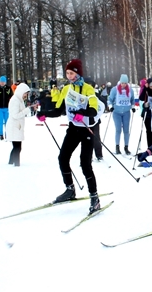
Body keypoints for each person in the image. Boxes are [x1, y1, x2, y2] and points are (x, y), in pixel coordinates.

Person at [36, 59, 103, 213]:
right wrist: (43, 113)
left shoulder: (88, 89)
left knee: (85, 164)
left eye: (71, 73)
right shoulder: (66, 89)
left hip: (87, 129)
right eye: (67, 73)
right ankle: (70, 189)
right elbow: (58, 110)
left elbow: (93, 110)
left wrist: (83, 113)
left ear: (78, 73)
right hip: (73, 129)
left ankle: (94, 197)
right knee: (63, 158)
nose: (69, 76)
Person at [5, 83, 36, 166]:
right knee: (17, 147)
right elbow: (15, 115)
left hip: (16, 126)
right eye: (26, 93)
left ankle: (11, 162)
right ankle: (16, 164)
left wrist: (29, 108)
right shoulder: (15, 100)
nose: (26, 95)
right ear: (21, 91)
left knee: (16, 147)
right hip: (14, 127)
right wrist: (28, 110)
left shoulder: (19, 100)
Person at [108, 74, 136, 155]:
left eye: (125, 83)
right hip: (117, 112)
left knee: (126, 130)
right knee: (118, 130)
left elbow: (132, 100)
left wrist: (133, 106)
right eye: (122, 82)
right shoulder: (114, 89)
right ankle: (117, 147)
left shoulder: (130, 90)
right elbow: (110, 99)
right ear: (120, 82)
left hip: (126, 112)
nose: (123, 84)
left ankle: (126, 147)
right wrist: (110, 106)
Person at [0, 76, 13, 140]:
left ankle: (7, 133)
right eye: (1, 82)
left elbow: (12, 98)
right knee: (0, 121)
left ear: (5, 82)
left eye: (3, 82)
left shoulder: (9, 88)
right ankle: (1, 134)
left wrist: (12, 105)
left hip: (7, 108)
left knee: (7, 122)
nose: (2, 83)